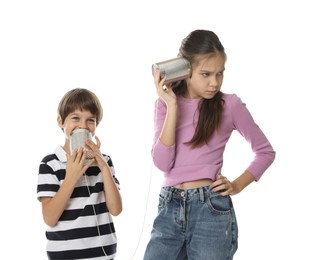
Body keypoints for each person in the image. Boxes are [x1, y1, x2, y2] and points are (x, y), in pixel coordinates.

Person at [143, 30, 276, 260]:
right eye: (206, 74)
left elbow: (265, 152)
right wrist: (172, 106)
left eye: (220, 74)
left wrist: (235, 186)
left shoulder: (229, 105)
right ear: (186, 70)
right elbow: (163, 163)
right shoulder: (164, 105)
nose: (214, 83)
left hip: (210, 208)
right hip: (169, 205)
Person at [37, 88, 122, 260]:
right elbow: (50, 218)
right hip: (65, 255)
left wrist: (104, 167)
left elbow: (116, 209)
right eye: (75, 118)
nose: (83, 125)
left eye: (90, 120)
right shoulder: (50, 164)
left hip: (103, 255)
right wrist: (71, 177)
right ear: (61, 122)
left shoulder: (104, 161)